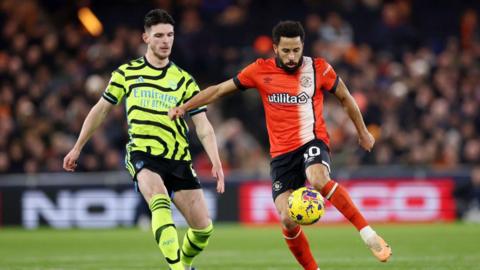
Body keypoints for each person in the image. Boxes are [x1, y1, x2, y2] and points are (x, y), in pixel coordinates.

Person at [169, 21, 392, 269]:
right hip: (282, 155)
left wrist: (363, 132)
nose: (291, 56)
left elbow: (345, 98)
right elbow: (220, 89)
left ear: (302, 46)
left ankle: (369, 234)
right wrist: (185, 107)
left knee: (317, 178)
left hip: (311, 140)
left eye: (296, 49)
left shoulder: (318, 68)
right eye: (286, 50)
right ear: (275, 48)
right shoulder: (259, 71)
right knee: (287, 219)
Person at [63, 9, 224, 270]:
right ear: (146, 38)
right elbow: (101, 109)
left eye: (170, 35)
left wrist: (216, 161)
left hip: (178, 157)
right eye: (159, 35)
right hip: (143, 154)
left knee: (203, 229)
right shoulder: (127, 73)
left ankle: (185, 263)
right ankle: (178, 268)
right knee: (159, 203)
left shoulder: (184, 80)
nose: (165, 41)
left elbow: (203, 126)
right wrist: (77, 147)